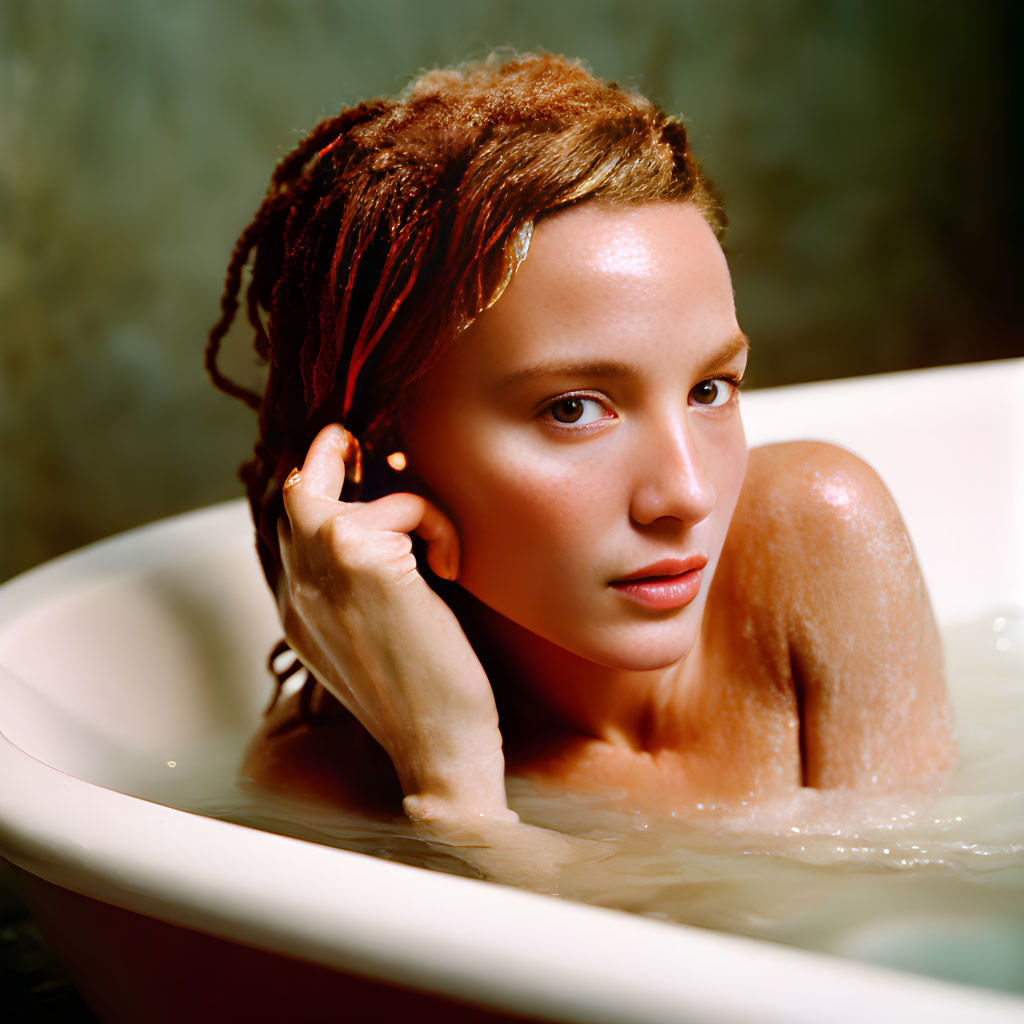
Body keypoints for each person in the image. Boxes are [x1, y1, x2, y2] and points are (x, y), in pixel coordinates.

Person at [206, 53, 953, 845]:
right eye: (573, 409)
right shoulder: (319, 797)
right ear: (383, 442)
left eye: (711, 389)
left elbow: (910, 937)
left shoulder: (815, 535)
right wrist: (457, 796)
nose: (687, 494)